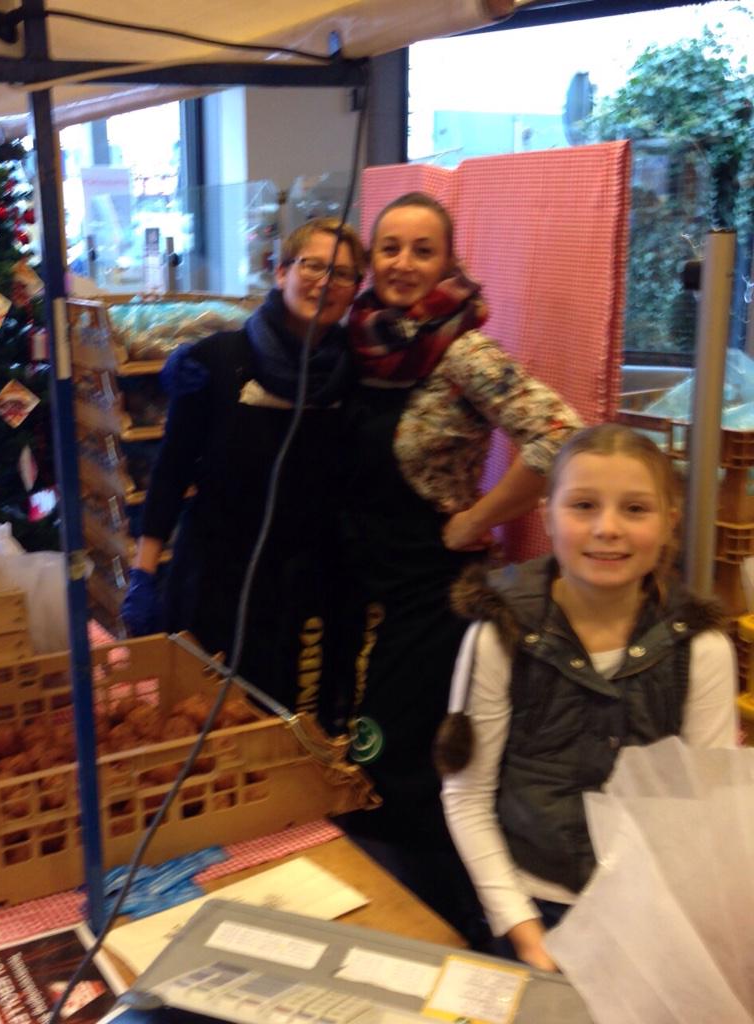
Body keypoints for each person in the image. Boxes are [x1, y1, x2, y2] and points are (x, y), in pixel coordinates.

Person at [336, 191, 582, 944]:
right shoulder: (354, 346)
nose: (403, 265)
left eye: (423, 250)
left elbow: (561, 436)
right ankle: (365, 906)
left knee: (404, 759)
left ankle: (432, 925)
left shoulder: (465, 353)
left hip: (428, 592)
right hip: (354, 577)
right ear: (371, 260)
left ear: (449, 262)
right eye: (391, 249)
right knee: (353, 746)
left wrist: (479, 518)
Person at [438, 423, 738, 970]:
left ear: (669, 522)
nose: (607, 529)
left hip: (653, 910)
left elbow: (708, 806)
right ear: (548, 515)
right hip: (532, 904)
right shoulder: (498, 635)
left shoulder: (703, 649)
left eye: (635, 509)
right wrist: (523, 930)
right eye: (583, 506)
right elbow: (468, 795)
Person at [120, 217, 366, 721]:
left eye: (342, 274)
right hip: (212, 575)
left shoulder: (353, 375)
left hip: (300, 589)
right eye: (313, 265)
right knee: (196, 721)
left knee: (278, 727)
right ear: (281, 273)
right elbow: (170, 471)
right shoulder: (216, 359)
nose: (325, 282)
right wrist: (144, 573)